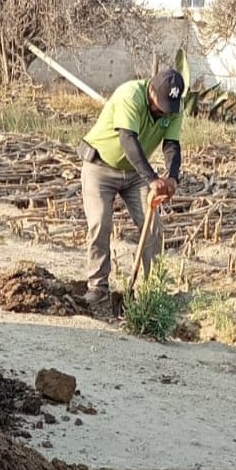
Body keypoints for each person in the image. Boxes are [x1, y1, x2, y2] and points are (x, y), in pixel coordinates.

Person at [77, 68, 184, 304]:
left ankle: (150, 291)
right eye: (161, 104)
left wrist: (173, 177)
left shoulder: (174, 106)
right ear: (151, 89)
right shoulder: (129, 95)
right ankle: (98, 287)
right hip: (100, 167)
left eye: (169, 107)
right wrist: (152, 178)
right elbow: (128, 139)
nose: (163, 111)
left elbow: (172, 144)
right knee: (100, 223)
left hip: (135, 173)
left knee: (153, 228)